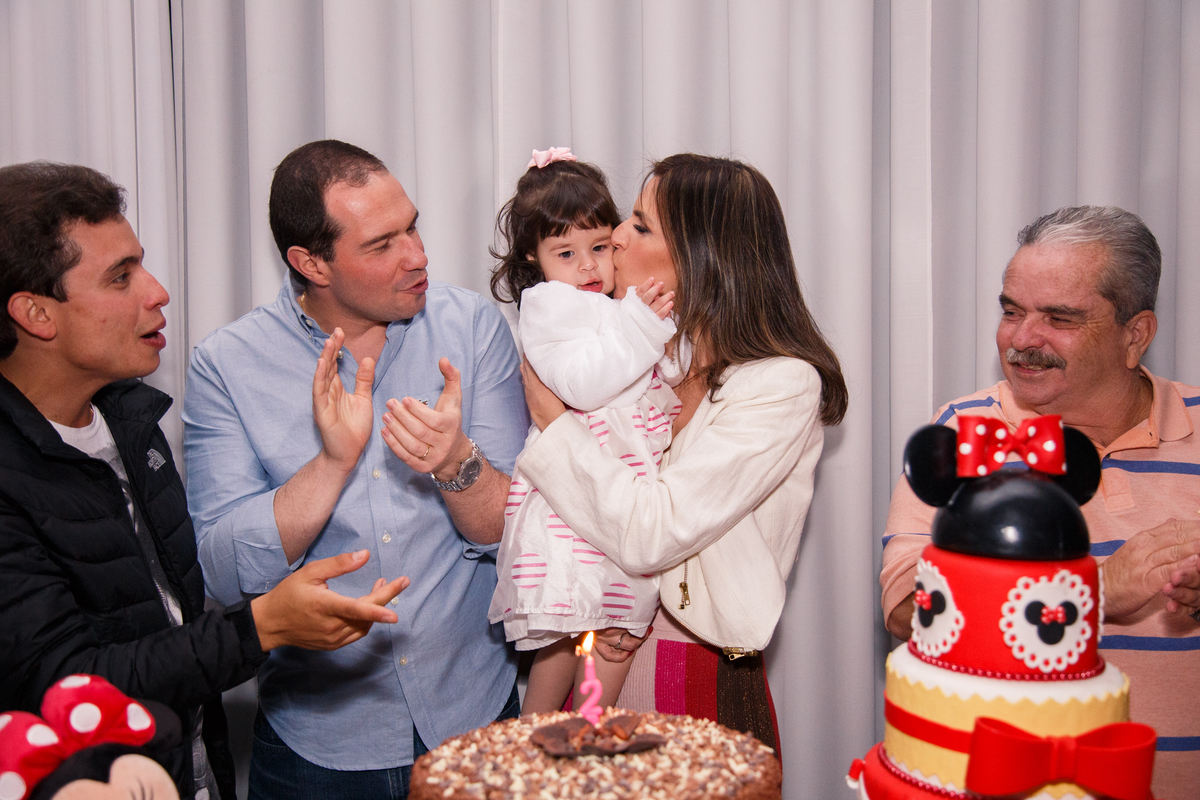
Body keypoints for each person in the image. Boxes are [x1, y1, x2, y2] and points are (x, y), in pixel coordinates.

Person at [0, 161, 410, 800]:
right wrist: (263, 626)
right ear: (35, 313)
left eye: (142, 265)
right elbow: (64, 685)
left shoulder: (134, 427)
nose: (158, 292)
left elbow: (172, 630)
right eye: (120, 277)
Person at [182, 140, 528, 799]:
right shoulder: (227, 364)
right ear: (311, 262)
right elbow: (223, 575)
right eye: (381, 244)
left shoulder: (470, 326)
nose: (417, 256)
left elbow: (512, 535)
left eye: (413, 228)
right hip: (318, 746)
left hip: (475, 718)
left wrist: (456, 463)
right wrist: (332, 464)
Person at [517, 153, 848, 751]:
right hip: (597, 648)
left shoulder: (781, 383)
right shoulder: (643, 351)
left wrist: (554, 424)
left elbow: (655, 530)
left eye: (641, 226)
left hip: (692, 667)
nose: (616, 236)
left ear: (700, 257)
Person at [879, 205, 1200, 799]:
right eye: (1011, 311)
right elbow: (905, 609)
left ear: (1136, 335)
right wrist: (1095, 592)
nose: (1022, 339)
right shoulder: (967, 432)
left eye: (1059, 317)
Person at [486, 148, 682, 715]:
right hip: (571, 487)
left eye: (599, 247)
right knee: (567, 621)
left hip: (626, 479)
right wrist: (643, 325)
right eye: (566, 253)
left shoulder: (618, 300)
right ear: (534, 255)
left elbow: (659, 372)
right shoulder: (549, 305)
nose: (589, 267)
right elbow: (584, 385)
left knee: (618, 625)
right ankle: (534, 739)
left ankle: (588, 735)